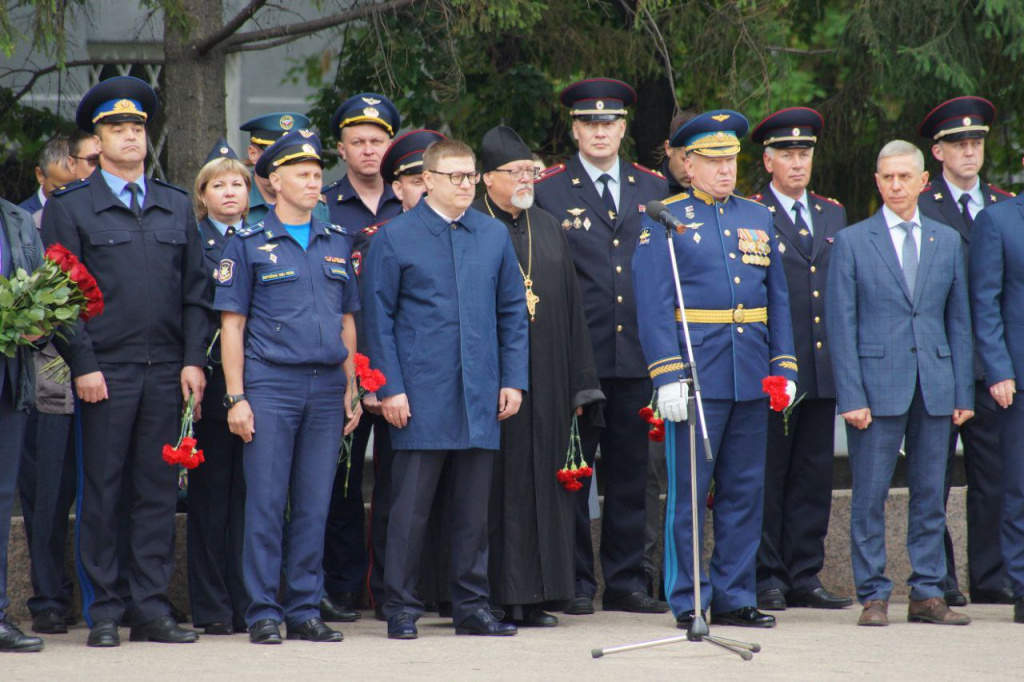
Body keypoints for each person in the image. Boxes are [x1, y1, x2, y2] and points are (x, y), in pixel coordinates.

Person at [40, 76, 210, 647]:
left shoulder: (175, 204)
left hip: (166, 369)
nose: (130, 136)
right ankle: (106, 611)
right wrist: (83, 364)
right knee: (105, 491)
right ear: (97, 138)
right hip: (104, 372)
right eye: (117, 128)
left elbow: (195, 293)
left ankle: (151, 607)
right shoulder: (74, 207)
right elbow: (60, 295)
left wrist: (193, 361)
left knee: (158, 491)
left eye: (137, 127)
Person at [633, 110, 797, 630]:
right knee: (687, 493)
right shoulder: (664, 216)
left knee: (745, 490)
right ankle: (687, 598)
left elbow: (778, 298)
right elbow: (654, 305)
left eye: (731, 159)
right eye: (713, 160)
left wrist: (784, 364)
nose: (726, 170)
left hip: (749, 369)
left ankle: (733, 595)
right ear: (688, 164)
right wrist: (665, 375)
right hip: (695, 372)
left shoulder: (756, 216)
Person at [364, 138, 529, 640]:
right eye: (454, 176)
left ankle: (471, 606)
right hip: (420, 391)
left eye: (470, 176)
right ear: (428, 179)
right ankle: (400, 606)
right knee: (409, 509)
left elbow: (511, 314)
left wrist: (513, 379)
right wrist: (389, 387)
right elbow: (378, 318)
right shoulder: (394, 237)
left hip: (479, 389)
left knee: (472, 511)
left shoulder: (493, 234)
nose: (464, 185)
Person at [214, 129, 361, 645]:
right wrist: (236, 396)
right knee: (267, 502)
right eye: (302, 173)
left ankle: (303, 608)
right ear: (273, 182)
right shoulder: (249, 243)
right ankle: (262, 612)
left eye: (318, 173)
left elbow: (347, 321)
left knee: (315, 502)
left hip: (326, 388)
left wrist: (351, 388)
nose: (313, 180)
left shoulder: (336, 241)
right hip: (271, 384)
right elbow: (231, 325)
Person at [533, 77, 670, 616]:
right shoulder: (548, 189)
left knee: (633, 475)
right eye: (589, 122)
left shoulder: (653, 187)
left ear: (623, 127)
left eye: (609, 122)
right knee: (571, 472)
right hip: (576, 357)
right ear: (574, 128)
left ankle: (625, 581)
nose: (599, 131)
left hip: (637, 354)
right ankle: (570, 579)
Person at [826, 140, 974, 627]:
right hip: (875, 386)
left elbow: (960, 321)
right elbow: (840, 325)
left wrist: (962, 393)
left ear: (922, 181)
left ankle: (928, 593)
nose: (895, 186)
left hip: (935, 385)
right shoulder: (852, 241)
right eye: (886, 178)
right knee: (868, 496)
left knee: (931, 494)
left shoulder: (946, 240)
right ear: (877, 181)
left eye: (903, 177)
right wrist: (851, 395)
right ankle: (873, 594)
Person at [473, 125, 604, 628]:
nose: (528, 178)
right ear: (488, 179)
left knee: (541, 487)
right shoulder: (476, 226)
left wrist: (581, 384)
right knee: (499, 489)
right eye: (517, 172)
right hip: (496, 382)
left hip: (549, 379)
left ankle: (537, 595)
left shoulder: (549, 226)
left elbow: (573, 310)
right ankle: (494, 596)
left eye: (532, 169)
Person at [748, 108, 852, 612]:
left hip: (821, 365)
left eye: (804, 153)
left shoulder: (832, 213)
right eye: (786, 154)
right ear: (767, 161)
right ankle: (767, 574)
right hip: (774, 368)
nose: (797, 162)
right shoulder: (750, 213)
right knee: (769, 474)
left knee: (813, 475)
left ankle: (804, 573)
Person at [918, 96, 1015, 607]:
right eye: (958, 143)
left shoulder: (1002, 206)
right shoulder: (919, 203)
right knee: (931, 476)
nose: (969, 151)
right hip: (935, 360)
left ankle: (990, 575)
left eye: (976, 142)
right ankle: (940, 577)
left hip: (987, 366)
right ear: (938, 151)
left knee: (992, 477)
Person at [320, 92, 403, 623]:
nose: (369, 151)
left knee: (399, 482)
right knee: (342, 482)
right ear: (341, 149)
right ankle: (343, 586)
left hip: (400, 364)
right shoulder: (324, 203)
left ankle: (394, 587)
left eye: (378, 141)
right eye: (358, 142)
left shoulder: (412, 198)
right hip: (344, 361)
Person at [358, 128, 447, 619]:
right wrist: (375, 384)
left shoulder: (463, 230)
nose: (423, 187)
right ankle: (390, 592)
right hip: (385, 385)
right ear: (398, 187)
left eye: (427, 177)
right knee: (396, 493)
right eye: (414, 179)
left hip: (442, 386)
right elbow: (371, 317)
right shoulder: (380, 238)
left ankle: (436, 587)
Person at [18, 131, 98, 636]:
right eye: (87, 161)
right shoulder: (20, 222)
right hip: (49, 379)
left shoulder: (108, 211)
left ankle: (115, 592)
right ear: (58, 168)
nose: (93, 168)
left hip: (108, 375)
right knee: (47, 494)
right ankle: (48, 597)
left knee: (108, 492)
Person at [186, 139, 251, 635]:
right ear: (202, 195)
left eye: (238, 183)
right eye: (219, 185)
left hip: (258, 381)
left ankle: (249, 599)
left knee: (252, 496)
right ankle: (211, 605)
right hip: (208, 382)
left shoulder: (261, 237)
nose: (229, 192)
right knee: (210, 498)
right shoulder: (195, 240)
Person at [968, 155, 1024, 624]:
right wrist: (998, 369)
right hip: (1018, 379)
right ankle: (1023, 582)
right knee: (1019, 485)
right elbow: (984, 302)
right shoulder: (998, 220)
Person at [0, 197, 46, 653]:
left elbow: (39, 290)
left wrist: (38, 323)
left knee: (0, 500)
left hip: (8, 377)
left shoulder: (15, 218)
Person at [238, 112, 331, 226]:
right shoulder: (236, 200)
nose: (282, 165)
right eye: (275, 156)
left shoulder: (316, 205)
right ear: (253, 154)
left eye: (293, 158)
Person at [18, 136, 76, 218]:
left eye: (76, 187)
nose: (70, 196)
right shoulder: (19, 220)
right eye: (60, 189)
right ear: (40, 176)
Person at [659, 110, 696, 195]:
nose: (690, 171)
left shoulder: (712, 193)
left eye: (697, 163)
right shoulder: (650, 190)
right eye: (685, 160)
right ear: (669, 149)